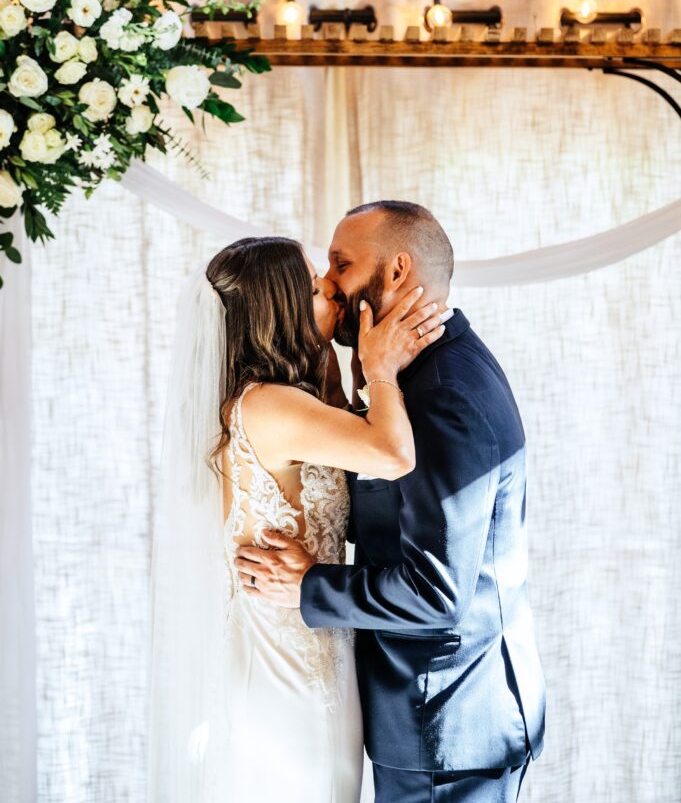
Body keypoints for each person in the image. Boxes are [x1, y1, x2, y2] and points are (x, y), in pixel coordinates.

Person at [236, 202, 547, 803]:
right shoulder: (423, 371)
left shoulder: (442, 394)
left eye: (341, 264)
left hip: (446, 723)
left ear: (398, 271)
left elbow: (436, 593)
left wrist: (308, 585)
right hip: (440, 714)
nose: (329, 283)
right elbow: (386, 503)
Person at [147, 235, 445, 803]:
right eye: (312, 288)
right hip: (287, 681)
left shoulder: (273, 400)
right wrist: (379, 369)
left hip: (308, 663)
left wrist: (336, 372)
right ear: (280, 310)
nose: (331, 291)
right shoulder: (270, 406)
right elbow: (393, 453)